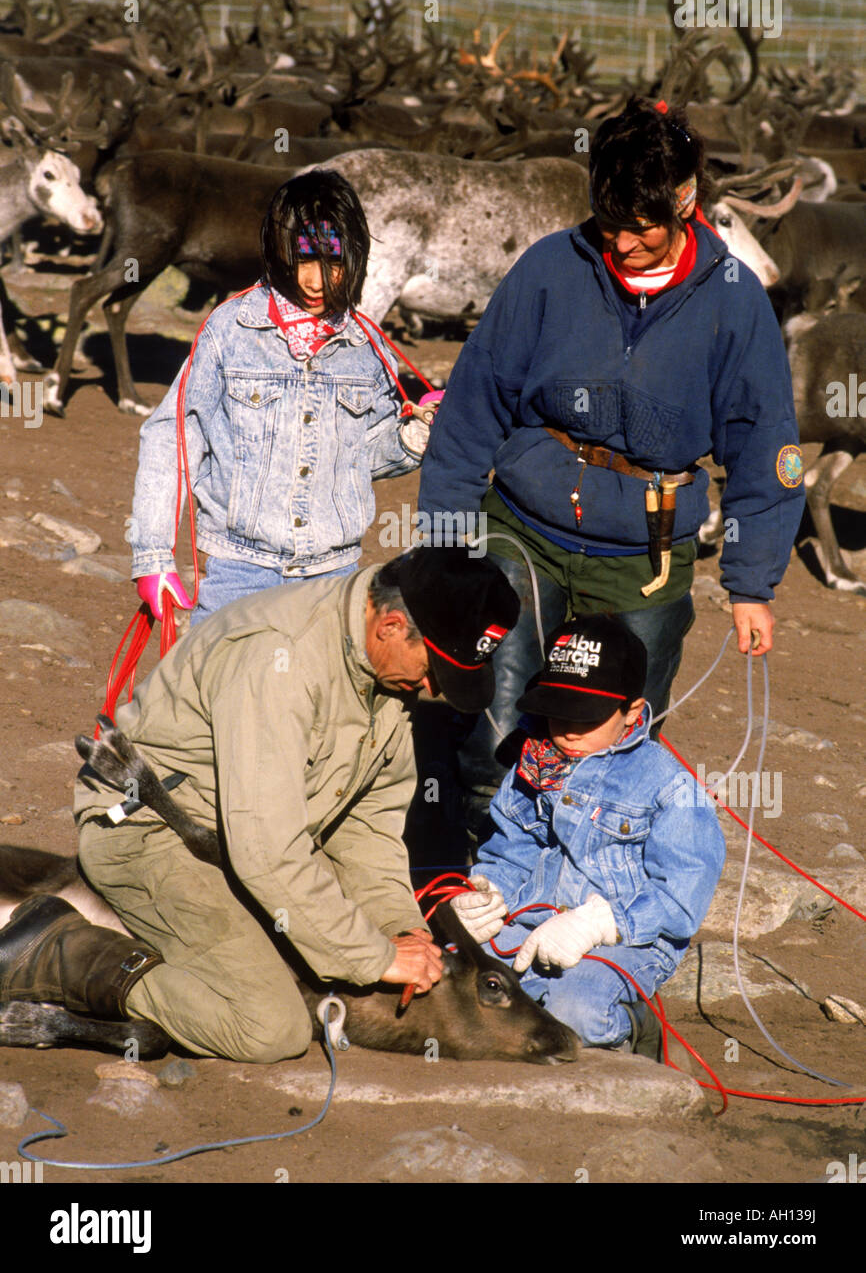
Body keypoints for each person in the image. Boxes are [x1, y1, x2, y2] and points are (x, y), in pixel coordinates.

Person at [417, 95, 805, 829]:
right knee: (493, 734)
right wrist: (442, 537)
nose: (622, 244)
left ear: (687, 205)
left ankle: (585, 907)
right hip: (523, 528)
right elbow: (475, 403)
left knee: (613, 745)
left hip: (644, 558)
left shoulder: (735, 303)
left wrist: (752, 584)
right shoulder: (549, 269)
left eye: (642, 228)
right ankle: (473, 898)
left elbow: (765, 445)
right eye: (610, 223)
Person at [0, 548, 520, 1063]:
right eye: (435, 668)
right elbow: (266, 849)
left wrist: (397, 925)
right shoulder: (280, 658)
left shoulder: (385, 668)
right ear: (388, 625)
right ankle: (59, 954)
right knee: (269, 1027)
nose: (433, 689)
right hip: (152, 830)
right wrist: (376, 957)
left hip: (242, 842)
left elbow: (368, 821)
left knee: (323, 955)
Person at [129, 167, 437, 626]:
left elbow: (356, 458)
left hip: (333, 579)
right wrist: (153, 555)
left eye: (333, 264)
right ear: (280, 253)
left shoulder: (369, 348)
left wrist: (414, 436)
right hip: (239, 572)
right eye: (304, 260)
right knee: (217, 696)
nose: (317, 282)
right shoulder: (230, 329)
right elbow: (173, 437)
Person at [451, 615, 725, 1055]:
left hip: (628, 942)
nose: (569, 729)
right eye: (558, 712)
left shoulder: (671, 787)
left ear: (632, 712)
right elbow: (510, 849)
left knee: (574, 1015)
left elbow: (681, 896)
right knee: (453, 980)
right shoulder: (536, 761)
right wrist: (488, 893)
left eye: (588, 717)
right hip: (528, 921)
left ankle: (639, 1026)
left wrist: (600, 922)